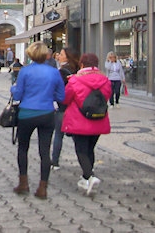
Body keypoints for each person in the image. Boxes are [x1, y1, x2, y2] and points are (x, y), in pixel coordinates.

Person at [10, 42, 65, 200]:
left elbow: (18, 95)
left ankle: (23, 183)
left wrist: (13, 89)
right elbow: (61, 97)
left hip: (27, 113)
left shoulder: (25, 71)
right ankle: (42, 187)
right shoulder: (54, 72)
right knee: (44, 151)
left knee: (23, 148)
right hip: (47, 113)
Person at [61, 53, 111, 195]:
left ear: (82, 65)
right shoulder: (105, 80)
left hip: (79, 121)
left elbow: (65, 99)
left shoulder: (75, 80)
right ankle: (86, 176)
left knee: (81, 150)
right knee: (90, 149)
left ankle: (90, 176)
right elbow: (106, 96)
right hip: (98, 119)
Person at [51, 47, 81, 170]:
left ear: (67, 57)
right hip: (76, 107)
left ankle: (55, 162)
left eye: (61, 54)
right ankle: (85, 162)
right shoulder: (79, 70)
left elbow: (57, 89)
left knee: (59, 134)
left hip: (63, 107)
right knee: (77, 137)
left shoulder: (62, 72)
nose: (59, 56)